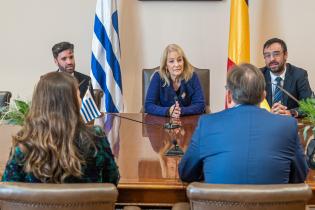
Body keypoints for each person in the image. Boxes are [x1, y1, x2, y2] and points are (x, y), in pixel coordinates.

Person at [178, 63, 308, 184]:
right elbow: (300, 176)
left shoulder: (207, 124)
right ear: (264, 96)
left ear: (228, 95)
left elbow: (186, 173)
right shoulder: (287, 126)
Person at [2, 72, 119, 184]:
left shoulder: (26, 141)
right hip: (87, 205)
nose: (81, 100)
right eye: (78, 96)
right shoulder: (95, 137)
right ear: (72, 102)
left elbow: (9, 189)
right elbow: (112, 180)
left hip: (37, 205)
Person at [144, 44, 205, 118]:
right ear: (166, 65)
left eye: (179, 60)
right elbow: (149, 105)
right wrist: (168, 111)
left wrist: (181, 111)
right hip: (162, 123)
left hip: (188, 122)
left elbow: (200, 105)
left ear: (183, 61)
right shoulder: (158, 77)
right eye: (171, 61)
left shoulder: (192, 76)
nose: (176, 64)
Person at [261, 38, 313, 117]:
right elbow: (248, 106)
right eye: (267, 55)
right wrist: (268, 113)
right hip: (266, 123)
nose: (272, 59)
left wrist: (291, 112)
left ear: (285, 55)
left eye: (276, 54)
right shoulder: (258, 75)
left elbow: (309, 105)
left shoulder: (299, 75)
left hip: (290, 124)